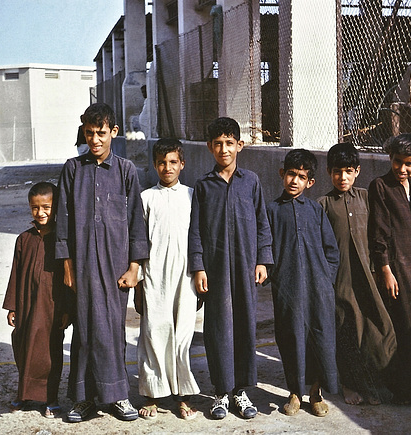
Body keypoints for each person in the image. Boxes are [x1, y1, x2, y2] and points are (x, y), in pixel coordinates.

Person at [55, 103, 148, 423]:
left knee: (110, 328)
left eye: (101, 133)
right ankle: (82, 398)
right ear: (84, 132)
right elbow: (62, 220)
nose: (95, 139)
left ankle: (118, 396)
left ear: (114, 133)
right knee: (83, 328)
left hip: (115, 264)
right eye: (90, 133)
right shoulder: (72, 168)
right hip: (80, 264)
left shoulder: (125, 170)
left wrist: (135, 266)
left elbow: (137, 219)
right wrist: (67, 266)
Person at [188, 117, 273, 420]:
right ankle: (221, 392)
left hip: (245, 266)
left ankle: (241, 391)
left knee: (245, 326)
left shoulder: (251, 181)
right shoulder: (203, 186)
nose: (224, 149)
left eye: (229, 143)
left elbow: (263, 222)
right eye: (218, 144)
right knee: (218, 327)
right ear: (210, 147)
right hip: (216, 269)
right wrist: (198, 267)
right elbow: (195, 230)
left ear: (240, 145)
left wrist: (263, 259)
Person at [317, 143, 397, 406]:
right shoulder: (323, 205)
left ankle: (375, 383)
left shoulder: (365, 197)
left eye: (349, 171)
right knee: (347, 331)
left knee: (377, 330)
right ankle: (348, 385)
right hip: (341, 281)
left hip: (369, 278)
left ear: (358, 171)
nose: (343, 178)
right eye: (338, 172)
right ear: (329, 172)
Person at [266, 149, 340, 417]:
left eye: (301, 177)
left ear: (310, 182)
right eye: (290, 174)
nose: (294, 181)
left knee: (320, 338)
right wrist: (274, 277)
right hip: (288, 289)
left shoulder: (315, 210)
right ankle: (295, 392)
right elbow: (265, 247)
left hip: (318, 289)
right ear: (281, 174)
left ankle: (316, 392)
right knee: (291, 338)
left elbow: (332, 252)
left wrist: (325, 280)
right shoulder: (271, 210)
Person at [368, 133, 411, 403]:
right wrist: (385, 269)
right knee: (405, 327)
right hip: (399, 267)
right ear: (390, 159)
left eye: (408, 163)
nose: (402, 169)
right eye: (397, 162)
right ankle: (405, 390)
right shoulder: (381, 187)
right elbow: (379, 233)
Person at [134, 138, 200, 420]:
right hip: (155, 275)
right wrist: (138, 277)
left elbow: (200, 236)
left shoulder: (192, 195)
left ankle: (183, 397)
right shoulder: (146, 197)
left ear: (182, 164)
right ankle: (153, 394)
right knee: (155, 332)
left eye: (173, 162)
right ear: (154, 165)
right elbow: (138, 240)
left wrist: (199, 271)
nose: (167, 167)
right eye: (162, 162)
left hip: (185, 274)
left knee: (183, 334)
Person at [3, 182, 72, 418]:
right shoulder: (24, 239)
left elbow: (69, 279)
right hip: (26, 305)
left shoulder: (63, 241)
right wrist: (12, 305)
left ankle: (50, 398)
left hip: (52, 308)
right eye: (35, 208)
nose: (40, 213)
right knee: (23, 347)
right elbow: (15, 273)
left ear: (56, 208)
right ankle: (24, 394)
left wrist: (67, 311)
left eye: (46, 207)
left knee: (49, 352)